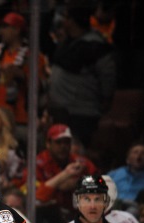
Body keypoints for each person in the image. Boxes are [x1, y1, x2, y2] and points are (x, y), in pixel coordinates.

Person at [47, 0, 116, 148]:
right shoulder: (66, 42)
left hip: (81, 112)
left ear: (71, 20)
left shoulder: (95, 44)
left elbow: (108, 75)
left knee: (77, 151)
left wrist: (106, 98)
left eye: (65, 17)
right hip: (62, 111)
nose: (62, 20)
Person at [106, 142, 144, 209]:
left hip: (135, 208)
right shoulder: (115, 173)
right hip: (112, 205)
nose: (139, 155)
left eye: (143, 153)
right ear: (128, 159)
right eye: (135, 152)